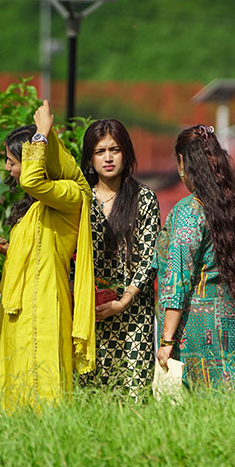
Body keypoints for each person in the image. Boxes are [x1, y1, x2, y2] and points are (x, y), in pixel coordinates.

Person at [0, 100, 95, 410]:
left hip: (45, 306)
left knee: (42, 386)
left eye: (13, 160)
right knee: (16, 383)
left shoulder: (70, 193)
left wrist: (41, 133)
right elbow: (37, 249)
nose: (9, 168)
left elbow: (33, 180)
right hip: (20, 309)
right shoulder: (37, 205)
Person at [156, 125, 235, 390]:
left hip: (196, 327)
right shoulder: (233, 205)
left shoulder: (189, 210)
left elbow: (178, 280)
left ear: (183, 163)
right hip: (233, 318)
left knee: (199, 406)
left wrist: (167, 340)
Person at [78, 118, 160, 399]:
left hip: (133, 312)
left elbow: (150, 258)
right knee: (91, 396)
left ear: (127, 153)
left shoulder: (144, 198)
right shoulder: (80, 199)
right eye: (100, 151)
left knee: (134, 394)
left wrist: (124, 300)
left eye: (115, 149)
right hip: (90, 312)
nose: (108, 157)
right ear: (90, 158)